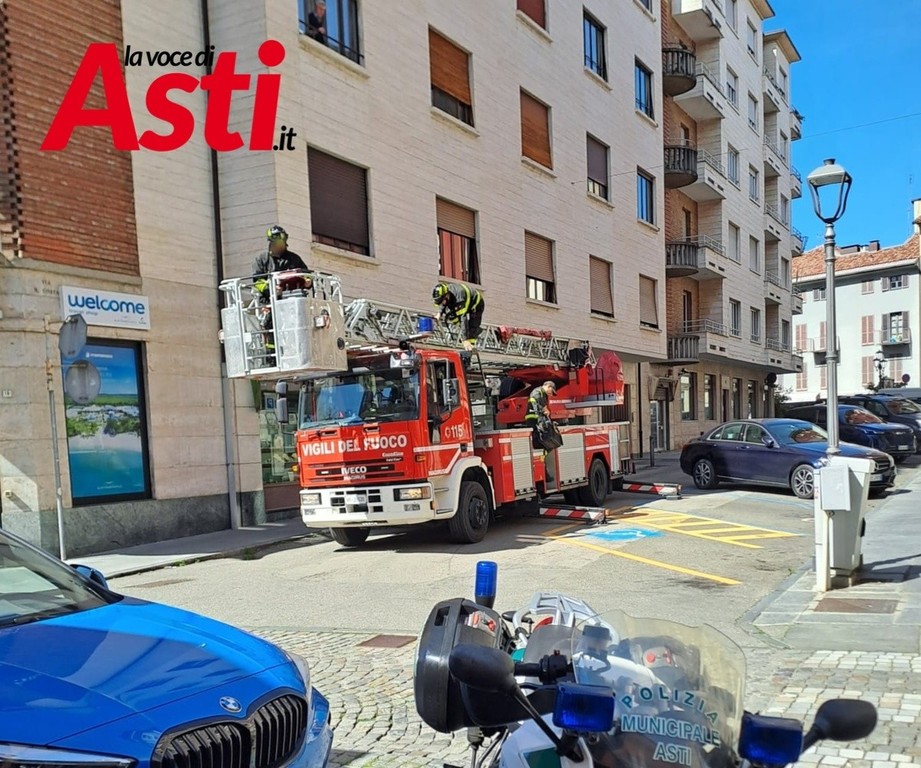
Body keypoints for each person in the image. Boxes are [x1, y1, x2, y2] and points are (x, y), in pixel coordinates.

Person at [251, 225, 310, 365]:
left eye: (280, 243)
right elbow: (257, 281)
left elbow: (306, 275)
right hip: (269, 303)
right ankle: (272, 359)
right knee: (270, 327)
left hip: (291, 303)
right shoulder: (262, 259)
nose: (278, 246)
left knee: (295, 329)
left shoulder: (294, 259)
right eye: (275, 243)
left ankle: (297, 354)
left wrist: (308, 282)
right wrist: (271, 289)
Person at [432, 281, 485, 351]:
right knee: (450, 316)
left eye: (441, 301)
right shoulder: (447, 293)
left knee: (472, 326)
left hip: (476, 304)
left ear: (446, 296)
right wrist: (439, 313)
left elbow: (463, 319)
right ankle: (468, 334)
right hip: (464, 302)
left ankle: (470, 346)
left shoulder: (458, 299)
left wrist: (465, 339)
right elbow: (443, 304)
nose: (441, 303)